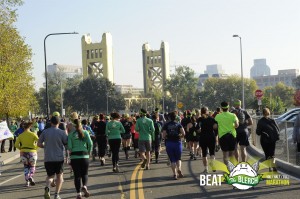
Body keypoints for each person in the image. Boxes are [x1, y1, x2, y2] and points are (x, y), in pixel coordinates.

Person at [38, 116, 68, 199]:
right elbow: (66, 144)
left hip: (48, 157)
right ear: (58, 123)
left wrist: (45, 146)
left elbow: (39, 144)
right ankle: (56, 195)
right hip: (59, 158)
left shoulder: (45, 132)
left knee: (50, 176)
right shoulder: (62, 132)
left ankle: (47, 186)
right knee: (59, 176)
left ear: (50, 123)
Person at [68, 119, 93, 199]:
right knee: (85, 173)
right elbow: (90, 143)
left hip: (75, 156)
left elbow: (69, 147)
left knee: (77, 176)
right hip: (84, 155)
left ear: (74, 126)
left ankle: (78, 193)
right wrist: (89, 152)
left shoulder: (71, 134)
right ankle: (85, 186)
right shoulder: (85, 132)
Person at [15, 121, 39, 187]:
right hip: (32, 152)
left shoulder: (21, 135)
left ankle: (27, 181)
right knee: (32, 166)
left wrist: (21, 149)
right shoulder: (33, 134)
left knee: (26, 167)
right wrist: (35, 148)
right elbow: (39, 142)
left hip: (23, 153)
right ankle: (30, 176)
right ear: (30, 127)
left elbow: (16, 144)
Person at [214, 101, 239, 166]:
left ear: (221, 108)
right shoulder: (233, 115)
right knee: (231, 154)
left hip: (222, 136)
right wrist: (232, 126)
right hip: (232, 135)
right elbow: (237, 125)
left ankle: (227, 168)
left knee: (225, 154)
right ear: (228, 107)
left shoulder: (217, 116)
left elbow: (215, 126)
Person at [162, 111, 185, 180]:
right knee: (178, 158)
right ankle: (179, 169)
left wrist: (166, 137)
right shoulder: (178, 124)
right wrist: (180, 136)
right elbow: (183, 133)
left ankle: (175, 174)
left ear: (169, 117)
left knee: (172, 159)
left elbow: (163, 135)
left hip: (169, 143)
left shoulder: (166, 125)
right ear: (176, 117)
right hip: (177, 143)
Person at [197, 107, 218, 174]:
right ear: (207, 111)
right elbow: (215, 127)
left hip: (203, 137)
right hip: (211, 137)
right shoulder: (211, 119)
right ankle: (213, 165)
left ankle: (206, 169)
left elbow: (198, 129)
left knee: (204, 153)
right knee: (212, 153)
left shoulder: (200, 119)